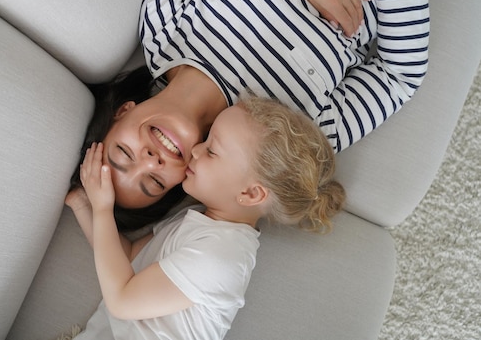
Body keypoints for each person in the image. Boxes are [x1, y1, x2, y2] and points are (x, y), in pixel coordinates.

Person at [68, 0, 439, 228]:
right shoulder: (283, 141)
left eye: (123, 153)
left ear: (122, 111)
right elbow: (399, 76)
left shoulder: (164, 23)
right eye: (155, 182)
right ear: (183, 180)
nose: (150, 160)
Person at [66, 96, 346, 340]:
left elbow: (122, 299)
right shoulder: (201, 221)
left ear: (250, 193)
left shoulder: (221, 257)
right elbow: (126, 258)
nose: (196, 151)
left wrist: (103, 209)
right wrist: (82, 204)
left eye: (211, 150)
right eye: (207, 138)